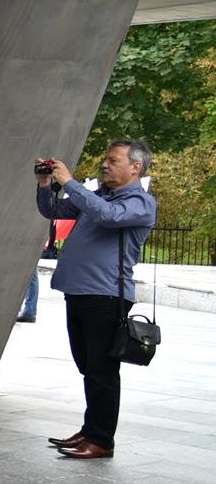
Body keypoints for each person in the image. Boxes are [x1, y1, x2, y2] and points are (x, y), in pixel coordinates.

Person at [34, 143, 157, 460]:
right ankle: (90, 431)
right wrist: (46, 184)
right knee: (89, 366)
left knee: (102, 370)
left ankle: (101, 440)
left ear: (135, 168)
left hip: (106, 295)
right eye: (105, 159)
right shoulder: (98, 197)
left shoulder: (140, 203)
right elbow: (54, 211)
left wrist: (71, 183)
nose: (105, 165)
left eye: (113, 160)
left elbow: (107, 217)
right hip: (79, 291)